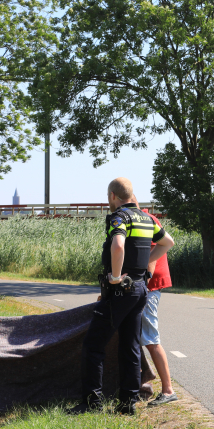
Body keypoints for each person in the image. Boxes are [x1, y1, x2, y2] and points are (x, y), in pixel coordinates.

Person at [73, 178, 175, 415]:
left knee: (93, 345)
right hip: (140, 290)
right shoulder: (147, 219)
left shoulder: (119, 217)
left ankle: (91, 403)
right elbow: (167, 243)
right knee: (130, 346)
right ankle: (127, 403)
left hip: (121, 291)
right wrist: (145, 263)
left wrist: (116, 277)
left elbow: (118, 245)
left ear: (113, 196)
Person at [132, 194, 178, 407]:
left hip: (149, 288)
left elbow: (151, 255)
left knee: (150, 339)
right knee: (136, 336)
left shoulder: (145, 220)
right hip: (145, 287)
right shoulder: (141, 219)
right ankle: (142, 382)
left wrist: (143, 285)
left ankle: (168, 390)